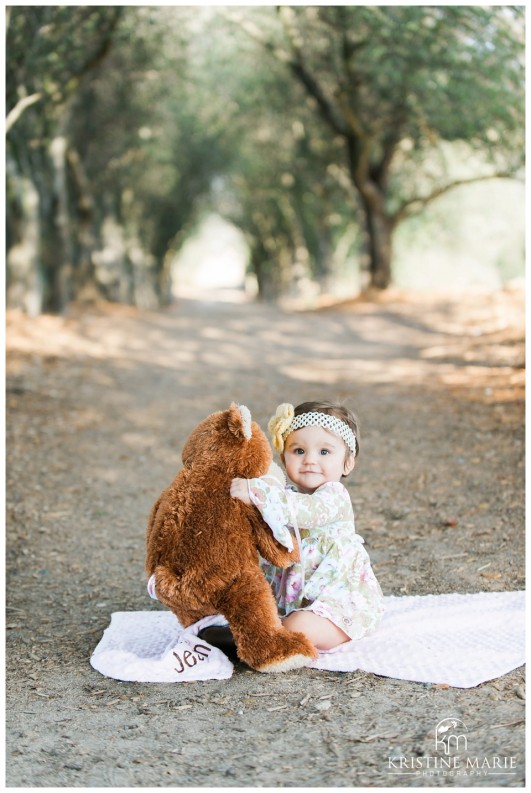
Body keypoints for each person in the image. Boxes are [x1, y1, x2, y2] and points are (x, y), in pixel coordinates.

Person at [230, 400, 384, 652]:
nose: (310, 460)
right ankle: (257, 633)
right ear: (284, 457)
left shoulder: (334, 496)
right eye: (299, 451)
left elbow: (305, 511)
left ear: (348, 462)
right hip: (294, 599)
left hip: (339, 604)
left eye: (324, 452)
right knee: (246, 608)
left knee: (298, 626)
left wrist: (258, 494)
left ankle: (268, 637)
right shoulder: (282, 493)